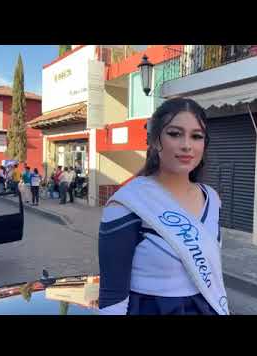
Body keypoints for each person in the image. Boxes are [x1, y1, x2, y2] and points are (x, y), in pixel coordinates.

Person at [98, 98, 229, 316]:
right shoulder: (127, 203)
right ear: (154, 140)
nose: (187, 145)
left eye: (196, 136)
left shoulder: (212, 199)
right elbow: (113, 298)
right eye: (175, 134)